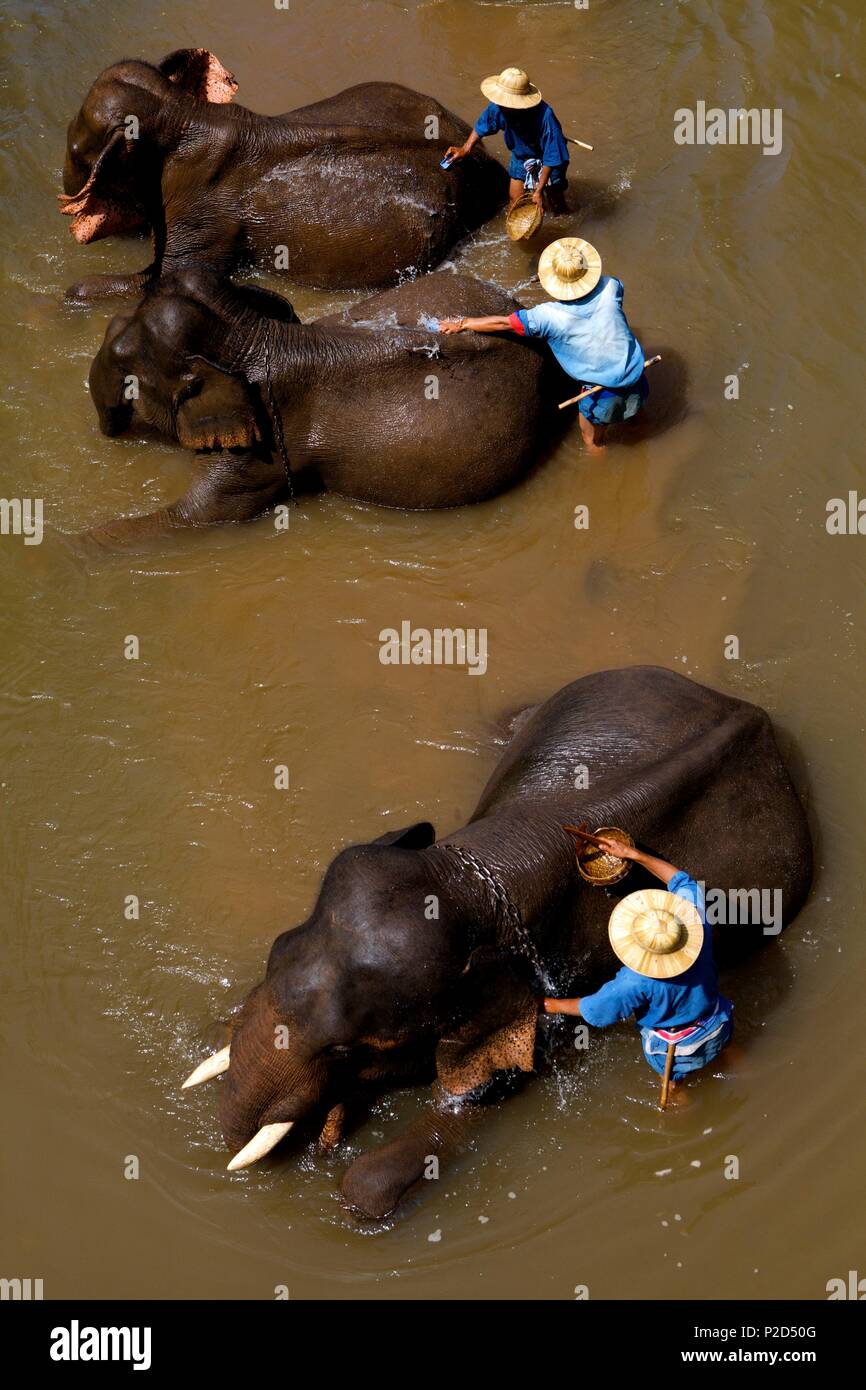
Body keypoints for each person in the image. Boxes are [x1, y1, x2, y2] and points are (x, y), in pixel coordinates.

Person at [543, 839, 734, 1095]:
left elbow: (594, 1010)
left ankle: (679, 1106)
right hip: (717, 1021)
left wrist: (546, 1004)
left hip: (674, 1049)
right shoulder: (696, 922)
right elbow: (681, 880)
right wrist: (633, 854)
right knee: (728, 1048)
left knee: (673, 1087)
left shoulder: (634, 981)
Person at [438, 237, 648, 453]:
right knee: (637, 417)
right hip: (636, 375)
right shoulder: (611, 286)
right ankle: (643, 441)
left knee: (593, 441)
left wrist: (463, 323)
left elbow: (504, 323)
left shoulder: (545, 317)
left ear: (553, 282)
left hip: (601, 393)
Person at [443, 66, 570, 213]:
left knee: (556, 205)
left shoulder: (545, 117)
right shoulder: (499, 107)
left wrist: (538, 191)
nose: (502, 105)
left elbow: (552, 156)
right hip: (521, 156)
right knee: (515, 201)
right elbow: (483, 125)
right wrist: (465, 149)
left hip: (547, 161)